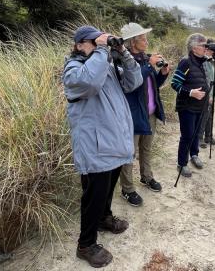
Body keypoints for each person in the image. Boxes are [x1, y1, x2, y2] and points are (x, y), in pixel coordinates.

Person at [62, 25, 142, 268]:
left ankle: (104, 218)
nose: (98, 45)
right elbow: (88, 83)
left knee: (107, 189)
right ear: (78, 45)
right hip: (95, 145)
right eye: (92, 41)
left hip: (114, 141)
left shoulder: (106, 66)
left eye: (100, 41)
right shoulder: (73, 68)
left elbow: (134, 82)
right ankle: (85, 244)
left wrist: (123, 54)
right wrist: (102, 48)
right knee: (94, 196)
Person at [119, 23, 171, 207]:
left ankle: (146, 177)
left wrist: (162, 74)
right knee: (129, 153)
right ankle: (127, 189)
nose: (146, 41)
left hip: (149, 112)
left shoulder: (144, 59)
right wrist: (149, 65)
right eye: (143, 38)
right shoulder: (124, 61)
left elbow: (151, 84)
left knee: (146, 148)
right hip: (133, 115)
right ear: (133, 42)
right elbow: (132, 83)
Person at [171, 33, 209, 177]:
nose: (205, 48)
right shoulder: (185, 62)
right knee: (187, 135)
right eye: (203, 45)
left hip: (201, 106)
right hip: (187, 106)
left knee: (197, 133)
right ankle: (181, 163)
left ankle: (194, 155)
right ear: (194, 48)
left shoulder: (202, 62)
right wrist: (190, 92)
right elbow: (174, 84)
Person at [199, 37, 215, 149]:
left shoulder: (211, 60)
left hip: (211, 91)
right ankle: (199, 138)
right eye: (212, 48)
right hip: (206, 92)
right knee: (204, 115)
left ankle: (209, 136)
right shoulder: (203, 60)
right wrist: (208, 94)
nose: (214, 51)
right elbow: (206, 78)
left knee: (210, 115)